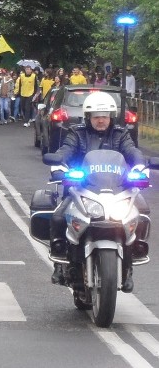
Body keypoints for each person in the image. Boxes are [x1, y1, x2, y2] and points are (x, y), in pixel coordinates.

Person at [45, 91, 145, 291]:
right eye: (97, 116)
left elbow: (132, 151)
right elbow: (66, 150)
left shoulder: (120, 134)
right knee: (58, 216)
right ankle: (60, 260)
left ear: (111, 117)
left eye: (105, 116)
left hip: (116, 189)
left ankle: (131, 260)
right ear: (88, 117)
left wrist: (139, 166)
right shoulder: (76, 133)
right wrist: (59, 165)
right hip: (81, 187)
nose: (101, 120)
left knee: (141, 213)